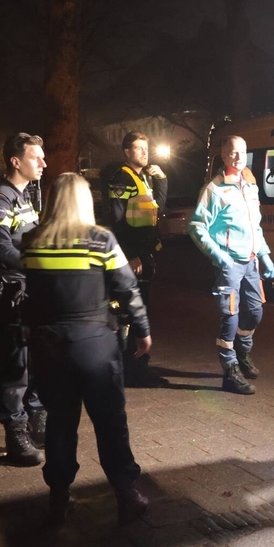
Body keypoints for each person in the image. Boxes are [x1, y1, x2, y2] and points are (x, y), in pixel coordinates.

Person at [21, 173, 152, 526]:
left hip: (50, 347)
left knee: (60, 423)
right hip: (95, 345)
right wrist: (142, 330)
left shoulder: (32, 241)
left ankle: (59, 495)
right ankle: (126, 493)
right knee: (110, 422)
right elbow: (127, 288)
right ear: (85, 201)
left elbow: (32, 293)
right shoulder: (101, 240)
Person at [189, 135, 274, 395]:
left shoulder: (250, 185)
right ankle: (230, 371)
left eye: (242, 152)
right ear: (224, 156)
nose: (238, 157)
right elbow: (196, 226)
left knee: (255, 312)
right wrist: (218, 256)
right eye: (233, 153)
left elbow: (254, 227)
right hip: (229, 265)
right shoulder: (214, 189)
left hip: (250, 262)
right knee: (229, 317)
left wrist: (264, 254)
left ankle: (242, 352)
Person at [0, 132, 48, 467]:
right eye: (36, 157)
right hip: (10, 292)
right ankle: (15, 434)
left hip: (29, 289)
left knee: (35, 360)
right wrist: (37, 263)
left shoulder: (26, 195)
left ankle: (36, 422)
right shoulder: (0, 199)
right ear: (16, 161)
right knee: (15, 367)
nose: (43, 163)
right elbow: (1, 249)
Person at [108, 131, 168, 382]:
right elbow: (118, 220)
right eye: (138, 148)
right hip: (134, 254)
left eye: (146, 148)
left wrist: (162, 180)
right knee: (133, 310)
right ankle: (133, 368)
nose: (145, 152)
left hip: (145, 251)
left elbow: (157, 209)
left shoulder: (144, 177)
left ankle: (138, 363)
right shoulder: (122, 178)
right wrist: (131, 255)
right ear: (127, 152)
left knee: (142, 307)